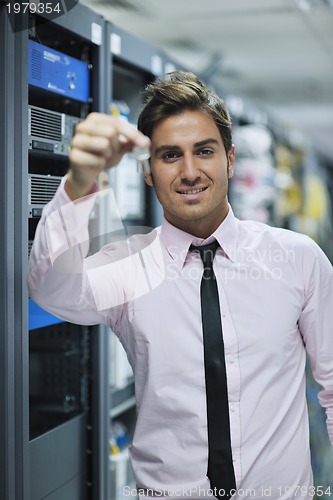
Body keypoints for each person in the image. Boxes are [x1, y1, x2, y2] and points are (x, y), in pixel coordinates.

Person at [28, 71, 333, 499]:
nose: (189, 172)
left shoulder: (298, 259)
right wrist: (81, 181)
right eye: (169, 155)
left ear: (229, 159)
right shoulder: (127, 266)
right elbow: (48, 289)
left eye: (204, 151)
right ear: (148, 171)